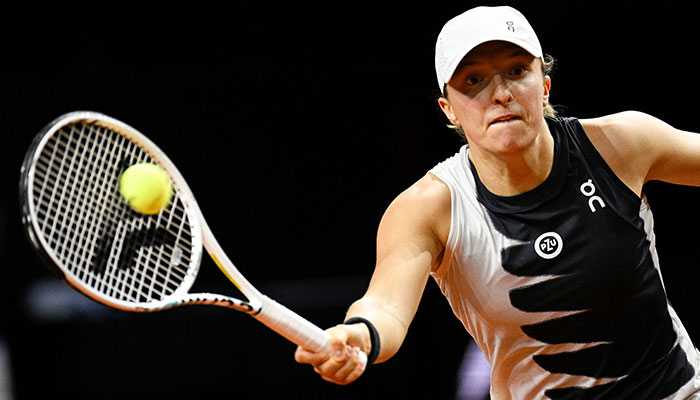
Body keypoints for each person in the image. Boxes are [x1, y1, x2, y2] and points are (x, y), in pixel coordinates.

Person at [294, 5, 700, 399]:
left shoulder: (622, 144)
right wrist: (360, 334)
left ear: (544, 85)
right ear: (448, 109)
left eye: (516, 71)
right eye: (473, 80)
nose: (500, 94)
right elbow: (385, 307)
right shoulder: (429, 208)